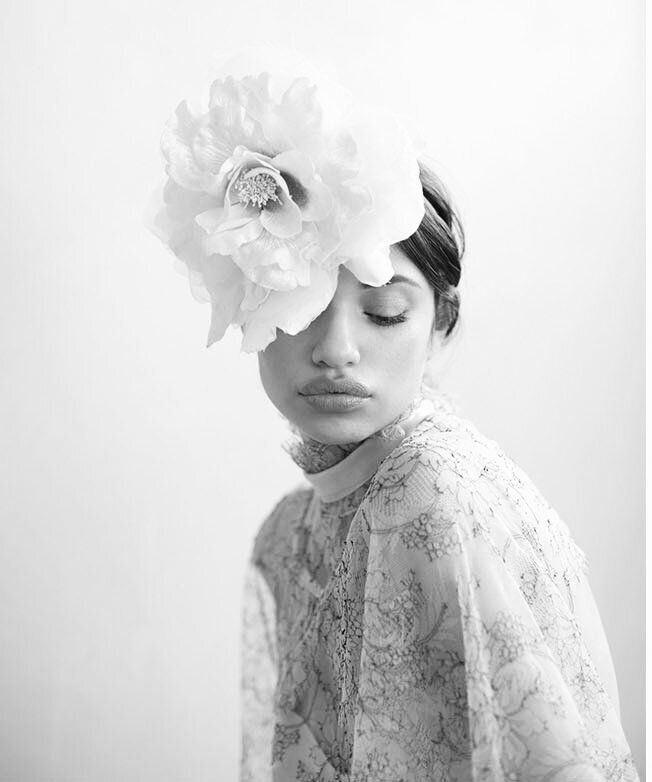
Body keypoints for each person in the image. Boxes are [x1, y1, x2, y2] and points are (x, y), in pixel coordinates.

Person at [147, 61, 639, 781]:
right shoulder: (287, 534)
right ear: (251, 310)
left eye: (383, 311)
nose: (338, 350)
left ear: (438, 323)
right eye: (302, 304)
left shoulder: (430, 492)